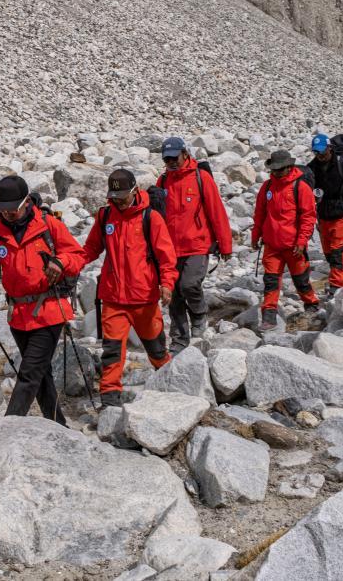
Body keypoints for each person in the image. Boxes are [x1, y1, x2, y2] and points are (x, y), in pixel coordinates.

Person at [0, 175, 84, 424]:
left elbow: (77, 255)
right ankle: (57, 424)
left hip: (50, 310)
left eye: (13, 208)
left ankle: (7, 428)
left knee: (28, 373)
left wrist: (61, 262)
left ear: (27, 201)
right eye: (3, 209)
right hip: (18, 316)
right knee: (40, 374)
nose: (8, 214)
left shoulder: (49, 225)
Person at [82, 169, 179, 406]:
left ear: (135, 190)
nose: (118, 201)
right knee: (112, 351)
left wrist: (167, 284)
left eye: (122, 196)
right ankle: (109, 399)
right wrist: (68, 264)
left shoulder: (151, 218)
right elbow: (91, 249)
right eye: (114, 197)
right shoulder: (105, 216)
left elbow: (166, 257)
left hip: (144, 298)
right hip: (113, 298)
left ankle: (173, 391)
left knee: (157, 350)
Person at [156, 136, 233, 353]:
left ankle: (199, 313)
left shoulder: (201, 178)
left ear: (185, 154)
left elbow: (216, 211)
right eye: (167, 159)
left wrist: (225, 244)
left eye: (175, 158)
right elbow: (156, 216)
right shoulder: (163, 181)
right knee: (174, 295)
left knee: (189, 285)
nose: (171, 162)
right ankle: (179, 340)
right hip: (170, 248)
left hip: (198, 245)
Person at [252, 149, 320, 331]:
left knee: (301, 279)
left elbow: (308, 217)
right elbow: (260, 213)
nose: (276, 173)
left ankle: (312, 304)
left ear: (289, 167)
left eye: (279, 169)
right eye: (273, 170)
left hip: (294, 246)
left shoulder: (301, 187)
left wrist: (301, 241)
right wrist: (255, 236)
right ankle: (269, 317)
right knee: (271, 281)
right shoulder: (267, 187)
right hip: (271, 245)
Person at [306, 134, 343, 295]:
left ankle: (336, 286)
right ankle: (338, 278)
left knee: (337, 251)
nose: (320, 155)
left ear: (330, 148)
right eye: (316, 152)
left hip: (341, 213)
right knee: (329, 253)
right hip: (323, 214)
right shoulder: (312, 167)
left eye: (322, 151)